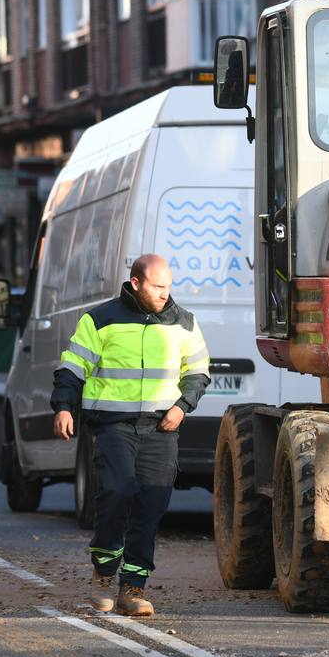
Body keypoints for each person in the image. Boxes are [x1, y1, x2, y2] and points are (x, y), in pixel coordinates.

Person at [51, 254, 210, 617]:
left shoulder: (183, 322)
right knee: (117, 490)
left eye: (168, 287)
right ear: (136, 283)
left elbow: (199, 370)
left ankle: (133, 588)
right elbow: (73, 367)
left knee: (151, 505)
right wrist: (63, 406)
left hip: (161, 427)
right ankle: (105, 573)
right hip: (113, 425)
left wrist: (182, 406)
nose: (164, 294)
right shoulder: (100, 320)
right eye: (157, 287)